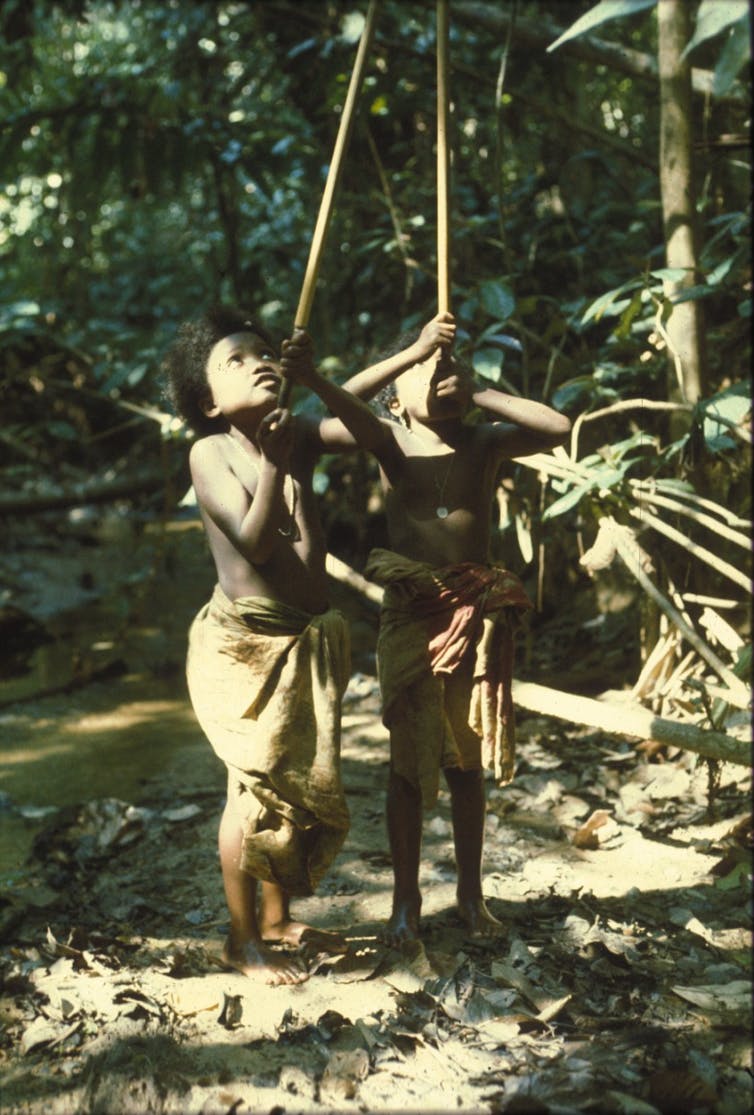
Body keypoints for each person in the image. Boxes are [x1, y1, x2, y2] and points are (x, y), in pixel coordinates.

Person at [163, 304, 451, 983]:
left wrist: (400, 357)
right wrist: (272, 463)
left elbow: (366, 427)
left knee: (288, 785)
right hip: (242, 647)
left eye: (264, 353)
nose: (257, 360)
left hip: (300, 638)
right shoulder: (210, 452)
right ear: (208, 399)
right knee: (252, 787)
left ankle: (274, 916)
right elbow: (257, 540)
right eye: (234, 359)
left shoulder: (294, 432)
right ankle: (242, 940)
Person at [337, 311, 572, 945]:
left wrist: (477, 392)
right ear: (396, 398)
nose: (441, 375)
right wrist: (412, 348)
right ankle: (405, 902)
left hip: (475, 615)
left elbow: (558, 426)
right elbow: (336, 398)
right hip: (413, 616)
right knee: (407, 766)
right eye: (426, 370)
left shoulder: (481, 442)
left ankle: (471, 896)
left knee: (465, 761)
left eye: (450, 367)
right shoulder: (389, 442)